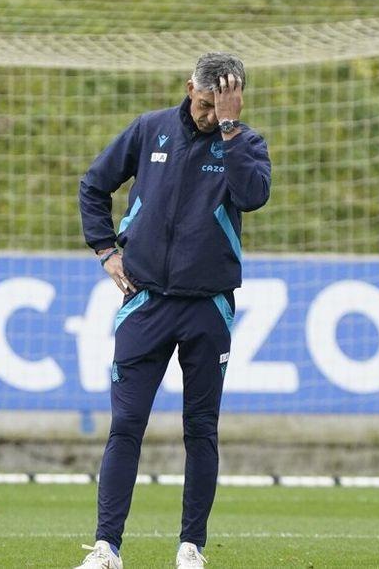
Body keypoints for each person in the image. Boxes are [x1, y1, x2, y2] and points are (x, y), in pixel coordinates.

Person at [74, 52, 271, 569]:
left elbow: (252, 197)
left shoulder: (245, 143)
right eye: (205, 105)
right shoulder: (149, 130)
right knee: (126, 425)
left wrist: (228, 130)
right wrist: (105, 249)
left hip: (208, 307)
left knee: (200, 429)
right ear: (189, 88)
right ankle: (106, 547)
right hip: (145, 303)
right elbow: (93, 186)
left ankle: (191, 548)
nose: (209, 115)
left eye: (221, 107)